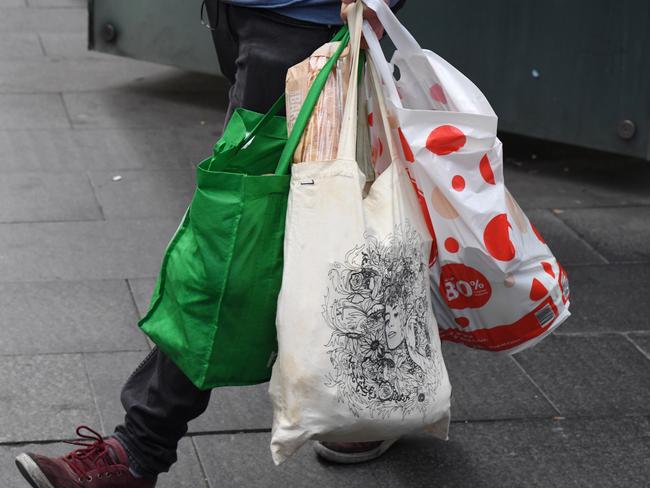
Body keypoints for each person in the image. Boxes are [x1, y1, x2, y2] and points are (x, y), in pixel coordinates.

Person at [14, 1, 404, 486]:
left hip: (302, 27)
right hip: (241, 14)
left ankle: (137, 448)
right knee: (330, 213)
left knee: (231, 242)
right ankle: (382, 395)